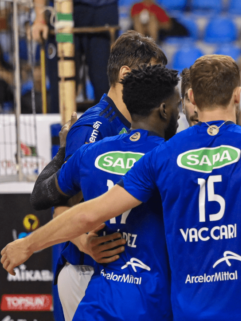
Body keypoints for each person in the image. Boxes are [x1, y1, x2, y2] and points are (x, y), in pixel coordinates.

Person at [2, 55, 241, 320]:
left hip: (186, 310)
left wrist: (28, 244)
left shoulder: (162, 156)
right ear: (238, 95)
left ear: (192, 97)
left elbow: (88, 212)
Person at [29, 30, 167, 321]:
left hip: (119, 275)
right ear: (125, 74)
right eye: (152, 74)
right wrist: (84, 243)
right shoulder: (94, 127)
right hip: (87, 270)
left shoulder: (134, 123)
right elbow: (61, 203)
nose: (158, 84)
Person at [32, 0, 120, 113]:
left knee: (104, 84)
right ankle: (61, 129)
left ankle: (106, 128)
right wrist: (40, 17)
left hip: (101, 9)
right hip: (62, 13)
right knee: (61, 89)